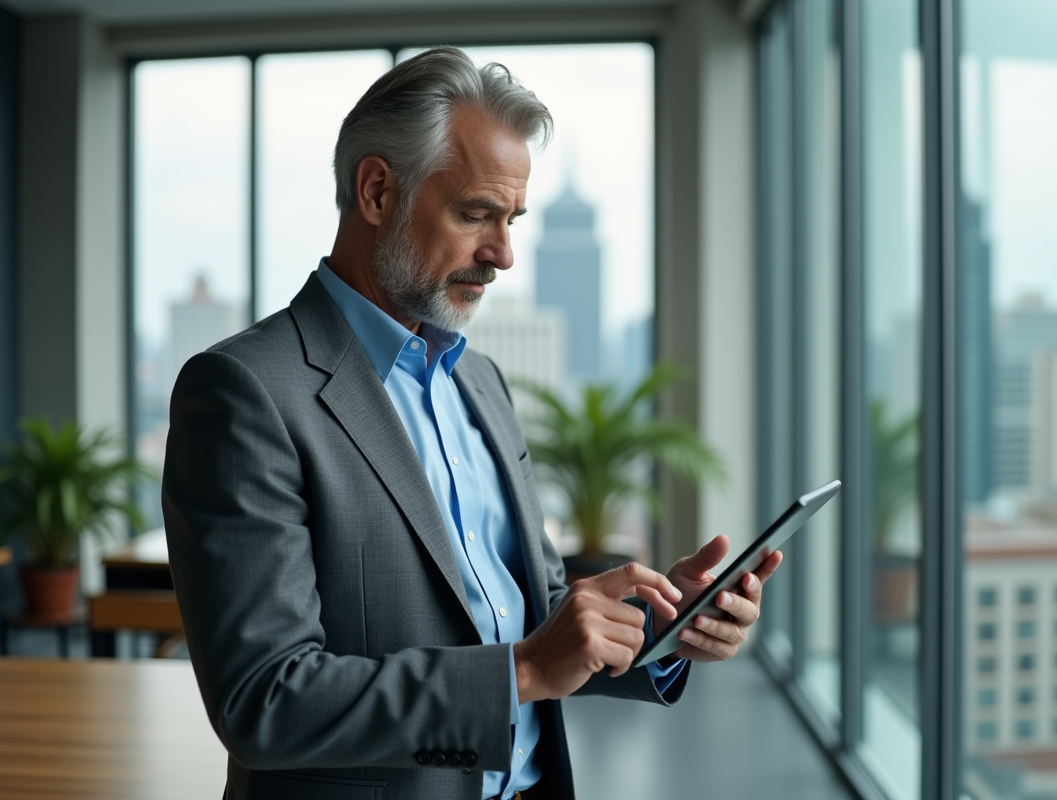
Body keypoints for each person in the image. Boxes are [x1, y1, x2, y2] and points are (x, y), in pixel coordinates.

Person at [163, 46, 782, 800]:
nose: (504, 254)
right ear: (377, 191)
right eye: (476, 214)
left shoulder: (480, 383)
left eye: (511, 220)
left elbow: (530, 610)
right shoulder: (246, 392)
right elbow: (264, 698)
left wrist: (660, 624)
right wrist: (524, 671)